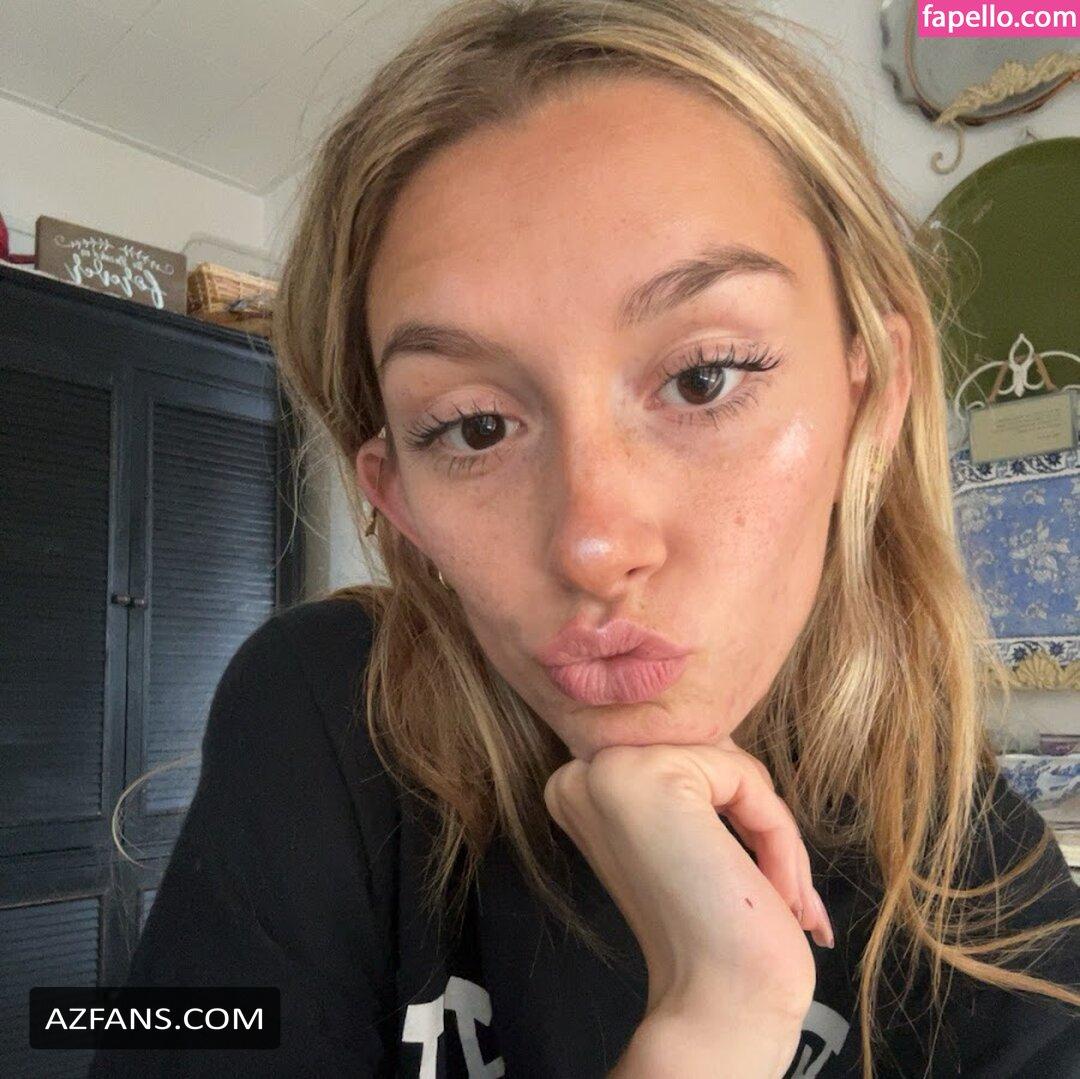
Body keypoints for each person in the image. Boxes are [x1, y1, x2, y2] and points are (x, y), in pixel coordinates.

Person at [91, 1, 1080, 1076]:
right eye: (475, 428)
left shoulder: (979, 883)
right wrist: (715, 1018)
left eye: (704, 377)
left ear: (871, 394)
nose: (594, 546)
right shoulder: (324, 712)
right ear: (399, 497)